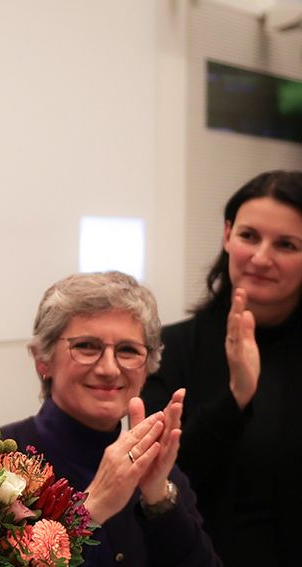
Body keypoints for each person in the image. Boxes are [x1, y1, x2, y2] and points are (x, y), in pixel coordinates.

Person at [0, 272, 220, 566]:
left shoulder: (159, 470)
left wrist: (159, 500)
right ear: (42, 359)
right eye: (86, 346)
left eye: (127, 350)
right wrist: (91, 508)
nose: (110, 369)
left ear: (147, 368)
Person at [142, 170, 302, 566]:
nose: (262, 257)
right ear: (227, 235)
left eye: (286, 244)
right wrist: (236, 397)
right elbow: (161, 481)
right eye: (249, 236)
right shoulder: (168, 348)